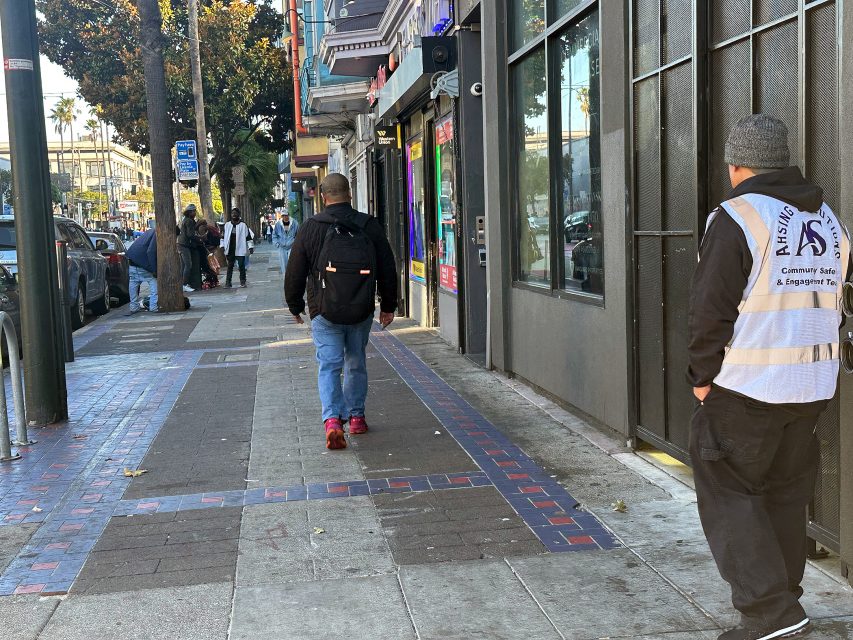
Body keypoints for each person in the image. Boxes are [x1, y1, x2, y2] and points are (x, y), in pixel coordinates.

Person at [687, 114, 851, 640]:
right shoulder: (829, 220)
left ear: (737, 166)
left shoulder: (737, 217)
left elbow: (710, 309)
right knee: (783, 494)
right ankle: (787, 603)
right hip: (812, 386)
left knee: (728, 490)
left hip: (748, 385)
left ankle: (768, 613)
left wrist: (701, 378)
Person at [285, 173, 398, 450]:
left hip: (324, 310)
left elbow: (295, 270)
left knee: (329, 364)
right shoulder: (368, 225)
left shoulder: (311, 227)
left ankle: (333, 421)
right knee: (356, 361)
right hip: (360, 308)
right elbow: (387, 266)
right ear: (349, 193)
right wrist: (388, 305)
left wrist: (295, 306)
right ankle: (357, 417)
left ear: (323, 196)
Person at [124, 226, 159, 315]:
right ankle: (153, 306)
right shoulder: (156, 234)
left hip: (132, 261)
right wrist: (154, 270)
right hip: (142, 264)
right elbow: (150, 251)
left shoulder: (150, 231)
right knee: (153, 282)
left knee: (134, 283)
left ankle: (134, 306)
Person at [220, 207, 254, 288]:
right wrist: (222, 246)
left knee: (241, 265)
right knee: (230, 266)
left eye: (236, 213)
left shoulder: (243, 225)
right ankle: (228, 283)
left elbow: (248, 237)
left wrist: (251, 247)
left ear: (239, 215)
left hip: (240, 249)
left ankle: (243, 281)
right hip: (230, 249)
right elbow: (222, 236)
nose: (234, 215)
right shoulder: (227, 225)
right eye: (232, 213)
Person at [177, 203, 201, 293]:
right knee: (188, 265)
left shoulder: (186, 220)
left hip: (181, 244)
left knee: (183, 265)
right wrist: (199, 238)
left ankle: (182, 284)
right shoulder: (189, 221)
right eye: (194, 211)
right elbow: (190, 234)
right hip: (184, 245)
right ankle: (184, 284)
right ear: (190, 212)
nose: (195, 213)